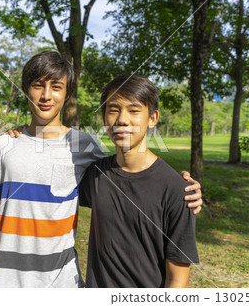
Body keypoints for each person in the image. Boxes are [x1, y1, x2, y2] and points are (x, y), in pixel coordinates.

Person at [0, 51, 202, 288]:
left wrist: (185, 190)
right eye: (38, 85)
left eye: (56, 87)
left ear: (67, 93)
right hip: (5, 282)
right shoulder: (4, 144)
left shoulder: (85, 147)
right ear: (26, 89)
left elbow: (131, 175)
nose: (46, 95)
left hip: (63, 286)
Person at [78, 74, 199, 288]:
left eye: (134, 111)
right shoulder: (94, 175)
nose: (122, 119)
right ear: (105, 118)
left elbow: (177, 279)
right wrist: (23, 133)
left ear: (152, 118)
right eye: (113, 110)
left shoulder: (178, 191)